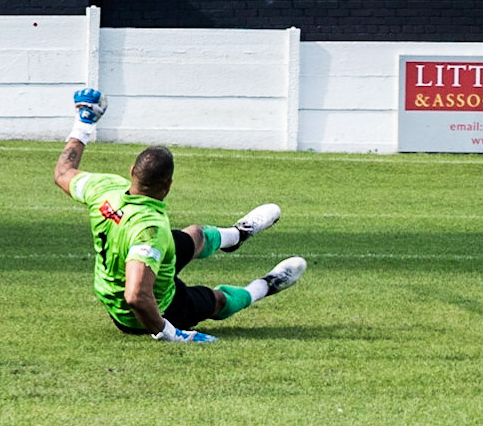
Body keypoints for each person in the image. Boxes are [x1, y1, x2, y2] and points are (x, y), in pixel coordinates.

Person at [52, 88, 307, 343]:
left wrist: (84, 121)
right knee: (216, 300)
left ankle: (238, 235)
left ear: (132, 172)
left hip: (128, 263)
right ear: (168, 185)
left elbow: (63, 172)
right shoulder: (149, 231)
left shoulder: (105, 189)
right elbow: (136, 296)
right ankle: (266, 285)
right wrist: (170, 333)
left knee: (196, 234)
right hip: (151, 311)